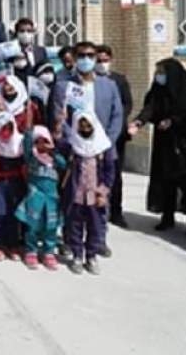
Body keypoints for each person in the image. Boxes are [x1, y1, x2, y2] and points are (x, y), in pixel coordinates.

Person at [128, 58, 186, 233]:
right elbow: (150, 108)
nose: (158, 76)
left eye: (162, 72)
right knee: (166, 181)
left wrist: (173, 121)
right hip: (164, 143)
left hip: (185, 143)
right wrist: (139, 122)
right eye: (158, 72)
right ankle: (167, 217)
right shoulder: (158, 90)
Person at [59, 111, 115, 276]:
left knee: (95, 227)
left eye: (88, 126)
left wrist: (103, 192)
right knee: (74, 226)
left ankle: (91, 256)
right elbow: (58, 147)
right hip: (76, 194)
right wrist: (60, 124)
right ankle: (77, 255)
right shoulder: (72, 145)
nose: (85, 129)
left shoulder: (103, 147)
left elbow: (110, 171)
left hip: (95, 197)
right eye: (81, 126)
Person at [50, 41, 123, 152]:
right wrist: (76, 142)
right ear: (74, 58)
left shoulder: (109, 85)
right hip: (74, 149)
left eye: (90, 55)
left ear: (95, 58)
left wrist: (107, 141)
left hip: (105, 148)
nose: (86, 59)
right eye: (81, 55)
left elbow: (117, 115)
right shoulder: (63, 86)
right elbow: (59, 117)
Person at [15, 124, 65, 271]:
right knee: (32, 225)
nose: (42, 145)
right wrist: (30, 131)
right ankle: (31, 250)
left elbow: (64, 164)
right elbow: (27, 144)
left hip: (51, 198)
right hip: (35, 195)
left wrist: (53, 151)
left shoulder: (54, 159)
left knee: (51, 227)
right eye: (38, 142)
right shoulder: (32, 157)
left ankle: (49, 251)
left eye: (45, 141)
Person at [95, 44, 133, 228]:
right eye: (99, 60)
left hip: (115, 136)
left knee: (115, 174)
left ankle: (116, 212)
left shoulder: (119, 80)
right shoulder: (90, 80)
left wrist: (116, 124)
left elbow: (127, 104)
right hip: (94, 134)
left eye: (105, 60)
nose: (102, 63)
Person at [0, 111, 25, 261]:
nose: (7, 132)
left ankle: (12, 243)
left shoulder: (20, 142)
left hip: (16, 183)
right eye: (3, 128)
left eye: (10, 128)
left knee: (14, 214)